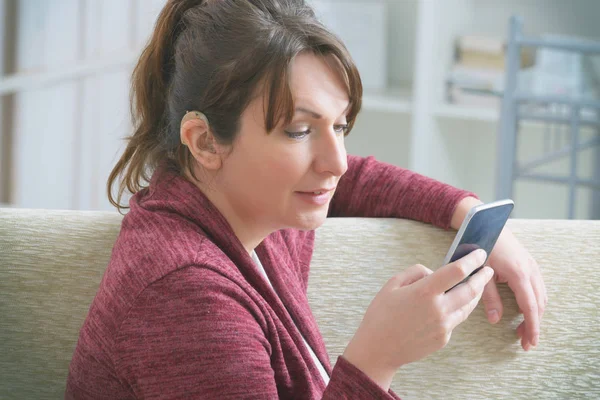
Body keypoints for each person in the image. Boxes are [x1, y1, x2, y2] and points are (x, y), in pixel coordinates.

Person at [66, 0, 547, 398]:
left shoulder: (244, 204)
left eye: (338, 126)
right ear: (205, 141)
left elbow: (355, 177)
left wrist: (470, 214)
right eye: (299, 131)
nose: (335, 161)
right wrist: (378, 358)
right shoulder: (186, 295)